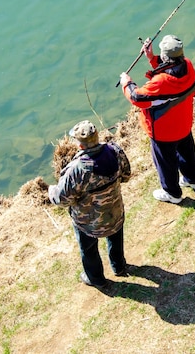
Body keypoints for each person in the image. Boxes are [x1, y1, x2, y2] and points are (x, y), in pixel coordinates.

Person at [48, 119, 131, 290]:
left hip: (88, 222)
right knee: (115, 236)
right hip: (115, 212)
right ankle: (119, 266)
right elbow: (127, 175)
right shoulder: (115, 151)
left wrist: (51, 190)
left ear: (80, 145)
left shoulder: (77, 169)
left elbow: (62, 200)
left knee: (89, 250)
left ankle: (96, 279)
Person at [119, 34, 195, 204]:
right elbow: (170, 69)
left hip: (163, 132)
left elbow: (137, 97)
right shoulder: (188, 66)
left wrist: (127, 83)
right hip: (184, 123)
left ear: (165, 56)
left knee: (165, 163)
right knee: (186, 152)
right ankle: (193, 181)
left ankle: (172, 193)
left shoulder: (161, 82)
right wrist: (151, 57)